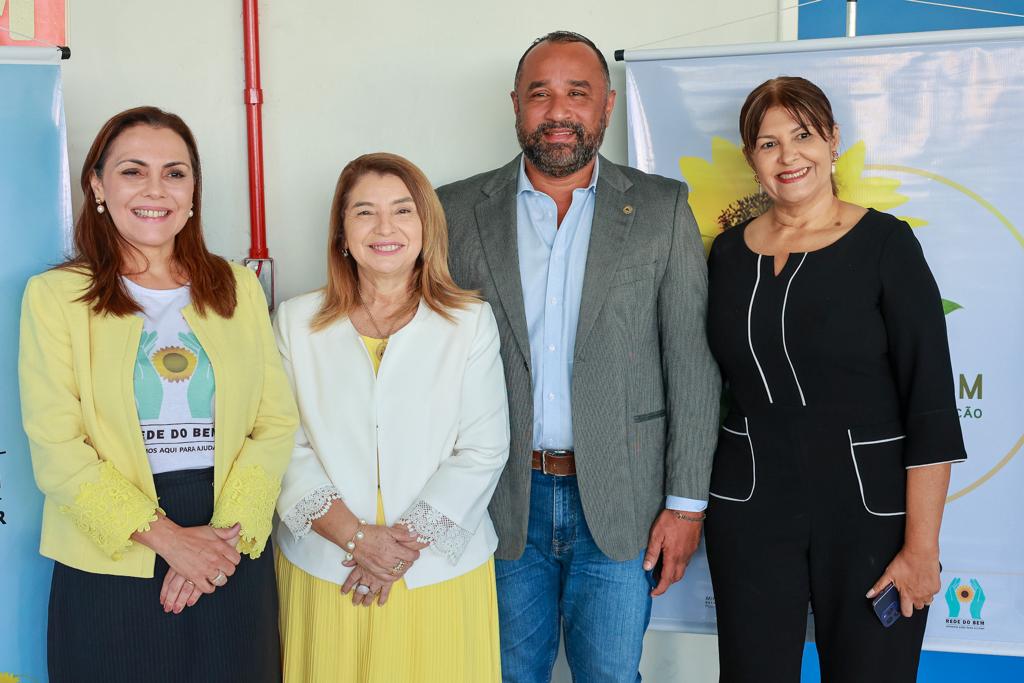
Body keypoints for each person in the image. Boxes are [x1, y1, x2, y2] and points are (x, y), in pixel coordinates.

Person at [437, 31, 720, 682]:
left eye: (577, 93)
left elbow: (692, 365)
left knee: (612, 675)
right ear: (515, 105)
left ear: (608, 107)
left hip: (626, 500)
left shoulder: (660, 208)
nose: (558, 111)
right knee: (507, 673)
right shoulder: (454, 211)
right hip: (500, 500)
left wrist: (685, 506)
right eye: (541, 93)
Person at [18, 106, 299, 683]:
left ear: (194, 190)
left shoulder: (237, 287)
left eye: (175, 172)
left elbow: (273, 423)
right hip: (111, 548)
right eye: (132, 171)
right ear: (96, 185)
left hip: (229, 540)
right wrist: (170, 541)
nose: (155, 190)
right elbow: (57, 447)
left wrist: (218, 545)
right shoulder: (54, 297)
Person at [703, 76, 967, 682]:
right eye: (768, 144)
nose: (788, 155)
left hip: (869, 515)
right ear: (751, 159)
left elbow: (929, 404)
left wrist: (922, 548)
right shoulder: (726, 255)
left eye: (802, 135)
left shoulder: (885, 245)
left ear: (832, 141)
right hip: (750, 509)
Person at [273, 152, 510, 682]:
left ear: (426, 226)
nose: (385, 228)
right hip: (326, 567)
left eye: (403, 211)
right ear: (341, 231)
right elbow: (282, 444)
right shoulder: (294, 321)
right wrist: (358, 541)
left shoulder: (468, 322)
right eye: (364, 212)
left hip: (437, 573)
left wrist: (393, 550)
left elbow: (483, 449)